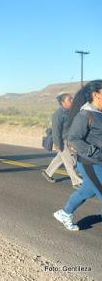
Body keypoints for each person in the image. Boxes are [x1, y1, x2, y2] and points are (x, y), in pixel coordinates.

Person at [54, 80, 102, 231]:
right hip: (91, 163)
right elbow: (74, 139)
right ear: (96, 94)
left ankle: (65, 213)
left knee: (87, 190)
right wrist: (94, 152)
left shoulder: (99, 114)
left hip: (98, 162)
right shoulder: (85, 115)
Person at [41, 93, 83, 189]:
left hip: (70, 140)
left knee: (60, 158)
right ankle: (76, 182)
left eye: (72, 99)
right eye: (70, 99)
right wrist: (57, 144)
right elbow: (56, 131)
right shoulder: (57, 115)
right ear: (63, 102)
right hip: (62, 141)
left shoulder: (71, 111)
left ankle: (47, 172)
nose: (72, 101)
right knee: (69, 162)